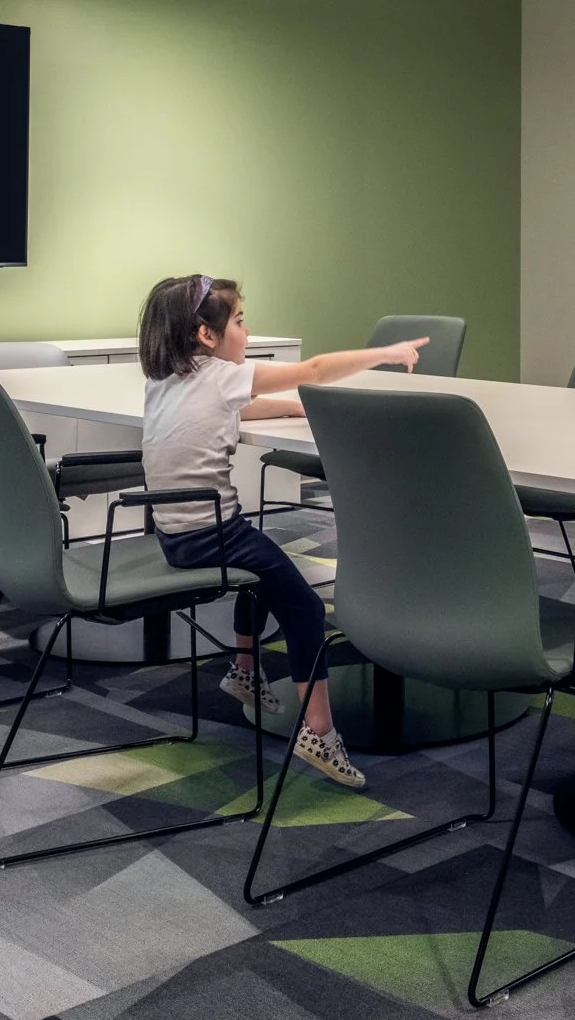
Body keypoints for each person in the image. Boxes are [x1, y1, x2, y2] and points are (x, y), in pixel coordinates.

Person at [136, 274, 428, 789]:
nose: (248, 333)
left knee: (262, 567)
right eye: (241, 322)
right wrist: (384, 352)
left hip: (175, 533)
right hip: (213, 534)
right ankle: (318, 730)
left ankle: (246, 670)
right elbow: (313, 370)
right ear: (207, 336)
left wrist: (293, 408)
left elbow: (236, 407)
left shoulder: (164, 380)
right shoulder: (224, 375)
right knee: (306, 607)